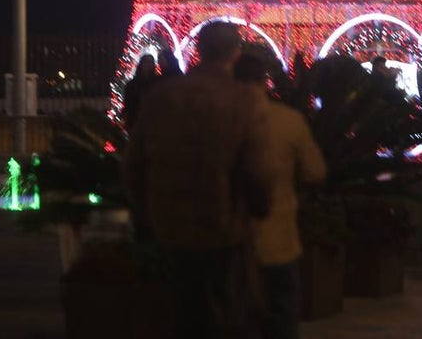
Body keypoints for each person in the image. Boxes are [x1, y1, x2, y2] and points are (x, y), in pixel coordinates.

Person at [125, 21, 273, 339]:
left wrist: (146, 211)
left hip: (171, 224)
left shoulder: (161, 96)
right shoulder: (245, 100)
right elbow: (256, 167)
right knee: (225, 312)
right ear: (235, 53)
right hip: (223, 225)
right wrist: (259, 210)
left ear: (199, 50)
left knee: (181, 311)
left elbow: (134, 162)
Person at [235, 53, 326, 339]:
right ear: (265, 81)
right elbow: (315, 171)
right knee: (282, 315)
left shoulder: (214, 119)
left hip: (228, 239)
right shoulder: (288, 120)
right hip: (279, 240)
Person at [122, 54, 158, 132]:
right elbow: (127, 103)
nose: (148, 65)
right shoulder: (132, 84)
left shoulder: (157, 83)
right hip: (135, 122)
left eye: (151, 63)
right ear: (141, 64)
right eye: (146, 62)